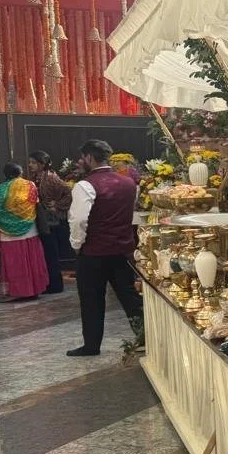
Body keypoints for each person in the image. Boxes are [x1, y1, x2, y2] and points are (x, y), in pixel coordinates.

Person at [67, 139, 144, 356]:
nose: (81, 162)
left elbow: (79, 220)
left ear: (89, 158)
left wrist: (76, 244)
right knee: (130, 297)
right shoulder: (129, 183)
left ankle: (91, 345)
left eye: (83, 158)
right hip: (123, 250)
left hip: (93, 253)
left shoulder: (85, 186)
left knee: (91, 299)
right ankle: (145, 337)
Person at [0, 163, 50, 301]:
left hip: (7, 233)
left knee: (15, 262)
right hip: (29, 228)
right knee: (32, 260)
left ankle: (19, 291)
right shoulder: (30, 185)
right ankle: (34, 289)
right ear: (20, 173)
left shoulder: (0, 190)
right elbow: (34, 203)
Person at [26, 150, 72, 294]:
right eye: (30, 162)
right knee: (46, 252)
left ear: (42, 164)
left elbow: (68, 191)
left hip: (52, 221)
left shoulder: (51, 177)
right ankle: (49, 283)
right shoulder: (37, 177)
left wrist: (57, 205)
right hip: (43, 219)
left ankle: (55, 285)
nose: (30, 165)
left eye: (33, 162)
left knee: (51, 253)